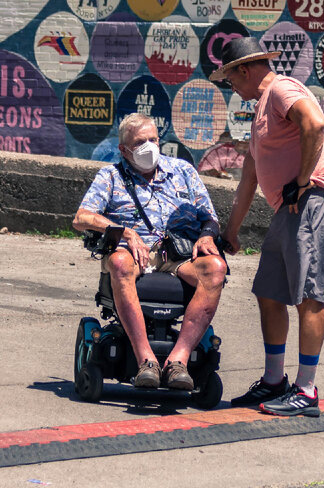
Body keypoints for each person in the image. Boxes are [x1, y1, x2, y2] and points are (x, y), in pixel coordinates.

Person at [217, 37, 324, 417]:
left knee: (308, 296)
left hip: (312, 199)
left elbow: (315, 124)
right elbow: (249, 179)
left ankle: (306, 391)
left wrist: (302, 182)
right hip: (288, 209)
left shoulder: (280, 89)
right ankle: (274, 380)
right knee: (269, 293)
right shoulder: (260, 113)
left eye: (230, 79)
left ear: (244, 69)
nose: (231, 87)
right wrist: (231, 232)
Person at [73, 113, 226, 391]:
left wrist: (206, 236)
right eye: (140, 143)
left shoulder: (183, 171)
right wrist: (125, 232)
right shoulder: (110, 176)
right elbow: (81, 218)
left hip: (178, 255)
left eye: (153, 140)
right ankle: (146, 360)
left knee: (216, 268)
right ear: (124, 150)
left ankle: (178, 361)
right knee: (119, 262)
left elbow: (210, 218)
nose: (149, 147)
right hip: (134, 256)